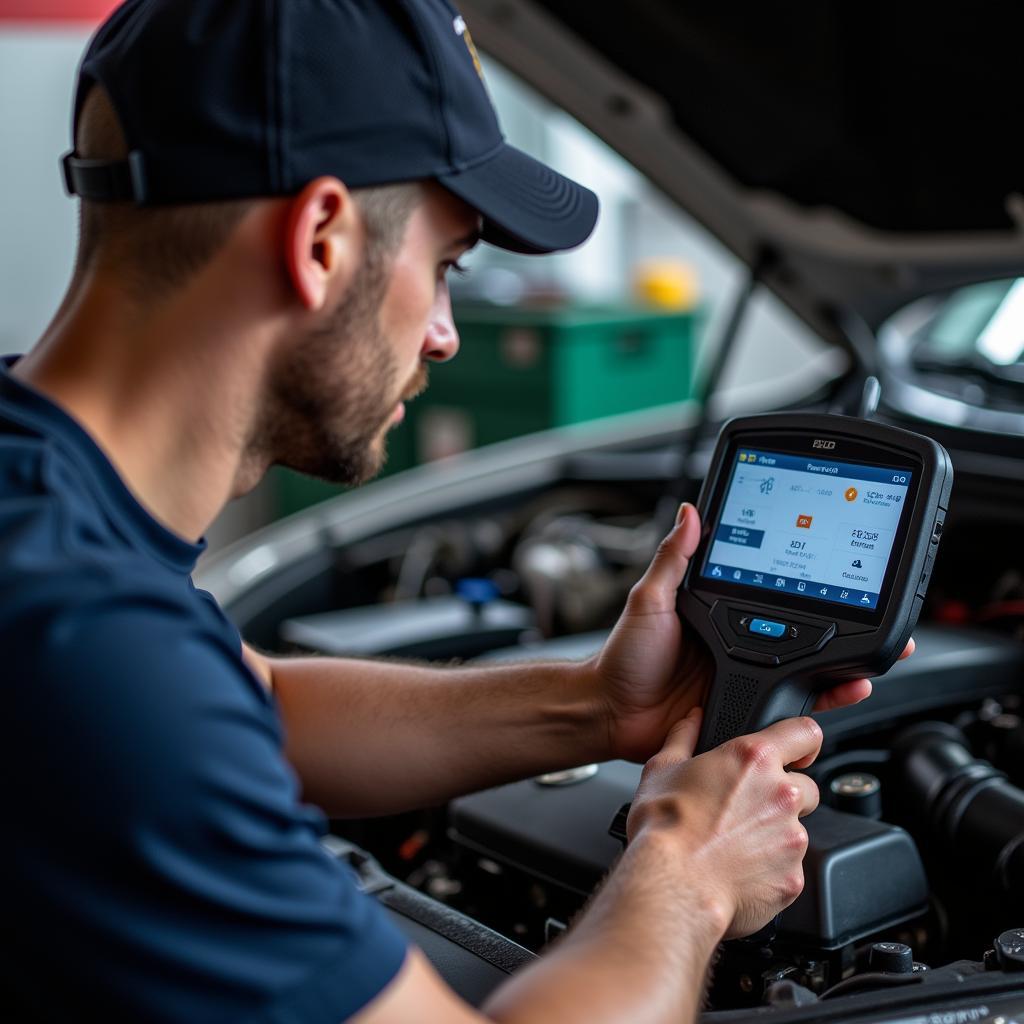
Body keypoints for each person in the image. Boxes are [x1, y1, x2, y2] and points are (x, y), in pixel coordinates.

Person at [1, 1, 905, 1021]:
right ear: (323, 240)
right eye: (445, 267)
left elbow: (255, 707)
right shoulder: (81, 650)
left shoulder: (45, 507)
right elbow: (150, 710)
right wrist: (688, 871)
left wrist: (601, 708)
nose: (442, 336)